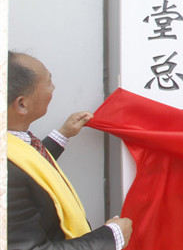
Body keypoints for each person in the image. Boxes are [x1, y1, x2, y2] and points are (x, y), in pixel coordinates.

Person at [7, 51, 133, 250]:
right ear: (22, 104)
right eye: (48, 82)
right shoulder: (7, 174)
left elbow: (30, 168)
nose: (53, 87)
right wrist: (111, 237)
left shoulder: (12, 149)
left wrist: (62, 136)